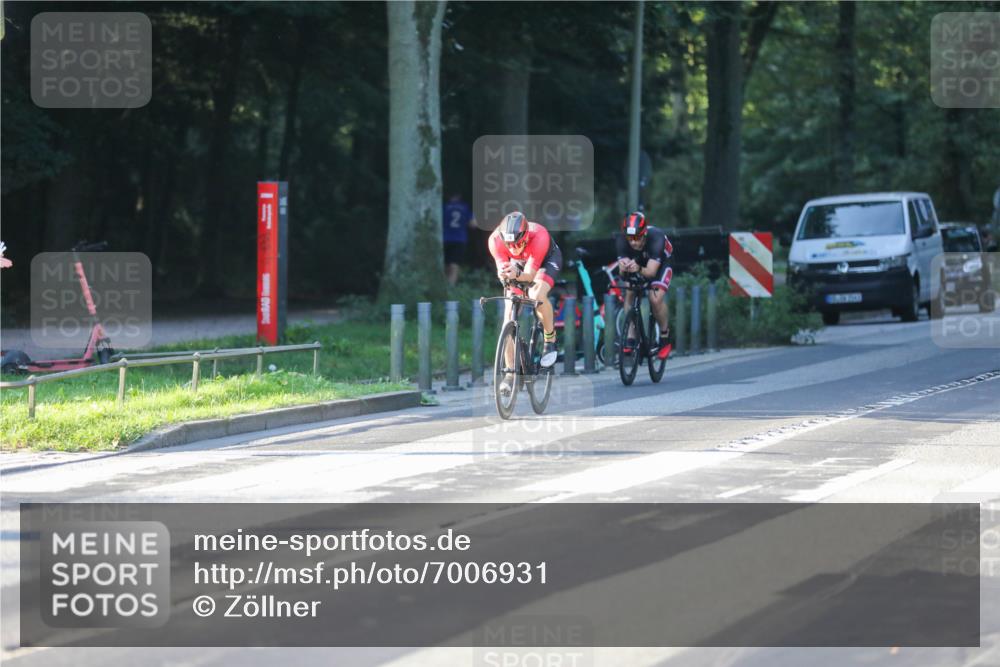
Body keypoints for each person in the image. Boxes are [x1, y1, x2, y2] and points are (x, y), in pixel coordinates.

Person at [487, 212, 561, 389]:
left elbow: (529, 275)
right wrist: (505, 275)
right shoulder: (495, 240)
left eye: (518, 243)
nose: (513, 248)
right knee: (508, 318)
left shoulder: (539, 236)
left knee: (537, 295)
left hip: (544, 261)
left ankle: (550, 339)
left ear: (526, 236)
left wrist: (518, 275)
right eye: (509, 244)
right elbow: (503, 272)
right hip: (518, 265)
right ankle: (511, 374)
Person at [615, 211, 673, 360]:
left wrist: (639, 269)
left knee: (655, 299)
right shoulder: (621, 241)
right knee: (629, 291)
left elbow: (652, 272)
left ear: (644, 233)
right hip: (640, 261)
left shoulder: (656, 238)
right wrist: (623, 268)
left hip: (659, 265)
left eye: (637, 238)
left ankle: (665, 337)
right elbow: (622, 275)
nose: (633, 242)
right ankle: (631, 336)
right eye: (630, 239)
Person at [442, 194, 476, 285]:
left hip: (445, 238)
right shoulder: (465, 207)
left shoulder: (444, 207)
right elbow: (473, 224)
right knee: (454, 265)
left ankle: (444, 285)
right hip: (459, 239)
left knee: (445, 265)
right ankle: (450, 288)